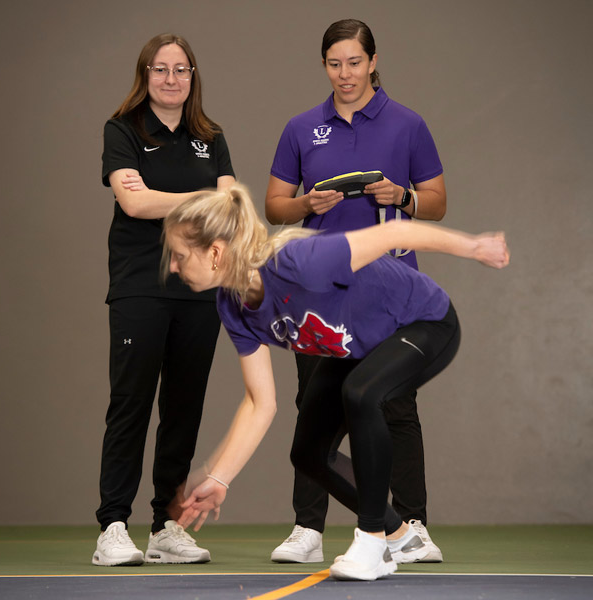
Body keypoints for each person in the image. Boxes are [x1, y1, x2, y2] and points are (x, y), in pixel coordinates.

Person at [162, 183, 509, 581]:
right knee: (309, 452)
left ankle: (373, 540)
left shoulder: (295, 261)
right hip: (363, 346)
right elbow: (260, 403)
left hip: (424, 322)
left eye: (179, 256)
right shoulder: (233, 306)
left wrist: (474, 247)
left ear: (215, 253)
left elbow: (394, 234)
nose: (173, 267)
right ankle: (400, 535)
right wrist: (220, 477)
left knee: (361, 394)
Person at [265, 19, 446, 563]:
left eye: (354, 62)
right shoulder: (301, 128)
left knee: (394, 404)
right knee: (312, 407)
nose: (344, 73)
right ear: (325, 66)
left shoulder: (407, 124)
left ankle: (412, 525)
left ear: (372, 62)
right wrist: (305, 206)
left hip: (392, 291)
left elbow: (437, 201)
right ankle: (308, 531)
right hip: (319, 290)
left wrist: (405, 196)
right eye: (334, 63)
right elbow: (275, 205)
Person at [92, 33, 235, 567]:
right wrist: (203, 198)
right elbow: (133, 202)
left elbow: (230, 209)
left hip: (200, 291)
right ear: (145, 75)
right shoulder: (122, 129)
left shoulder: (210, 136)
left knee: (183, 409)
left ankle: (167, 526)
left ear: (192, 77)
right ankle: (113, 526)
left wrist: (169, 199)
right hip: (139, 286)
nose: (171, 78)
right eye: (160, 69)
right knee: (130, 404)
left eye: (181, 70)